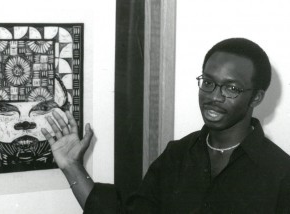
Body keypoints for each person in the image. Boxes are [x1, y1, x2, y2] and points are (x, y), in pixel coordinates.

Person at [41, 38, 290, 213]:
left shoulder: (281, 174)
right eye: (209, 82)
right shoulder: (177, 155)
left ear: (256, 97)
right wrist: (72, 167)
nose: (214, 96)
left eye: (232, 88)